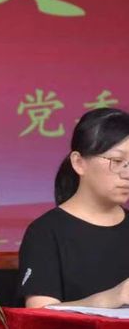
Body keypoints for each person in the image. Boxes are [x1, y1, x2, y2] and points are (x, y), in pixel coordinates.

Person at [18, 107, 129, 309]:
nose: (126, 173)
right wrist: (107, 300)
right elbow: (39, 315)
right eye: (117, 161)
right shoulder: (45, 232)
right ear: (79, 163)